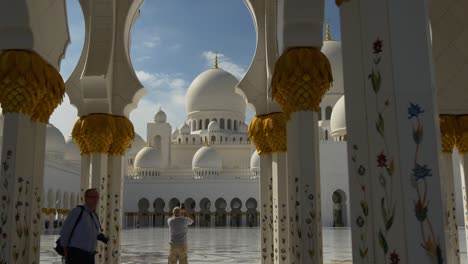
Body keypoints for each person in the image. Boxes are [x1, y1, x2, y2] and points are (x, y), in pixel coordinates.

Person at [60, 188, 101, 264]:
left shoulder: (95, 215)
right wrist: (66, 253)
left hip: (90, 255)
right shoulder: (77, 212)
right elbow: (65, 232)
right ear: (86, 198)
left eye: (97, 197)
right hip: (76, 254)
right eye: (93, 197)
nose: (96, 200)